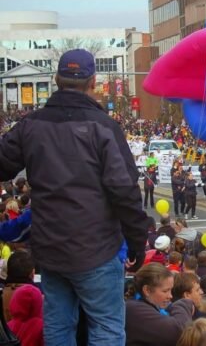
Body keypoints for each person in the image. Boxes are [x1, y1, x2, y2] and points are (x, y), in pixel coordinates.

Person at [0, 48, 151, 344]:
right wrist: (136, 240)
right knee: (106, 328)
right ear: (93, 82)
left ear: (56, 80)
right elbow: (124, 191)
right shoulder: (104, 127)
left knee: (58, 325)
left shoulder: (31, 124)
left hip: (51, 247)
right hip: (97, 248)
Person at [125, 263, 196, 346]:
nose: (170, 296)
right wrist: (184, 304)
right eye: (165, 291)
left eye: (170, 290)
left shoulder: (141, 305)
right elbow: (179, 332)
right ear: (147, 290)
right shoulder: (135, 310)